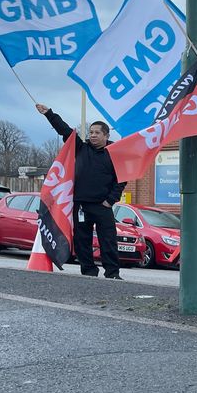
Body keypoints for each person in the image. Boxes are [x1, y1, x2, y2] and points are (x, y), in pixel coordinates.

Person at [36, 104, 126, 279]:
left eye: (97, 132)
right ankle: (89, 272)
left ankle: (112, 274)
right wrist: (49, 114)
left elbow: (121, 179)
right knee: (82, 241)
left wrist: (110, 200)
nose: (93, 135)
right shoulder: (80, 148)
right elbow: (65, 131)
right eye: (91, 132)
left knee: (108, 241)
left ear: (106, 135)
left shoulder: (115, 153)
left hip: (103, 206)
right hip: (81, 205)